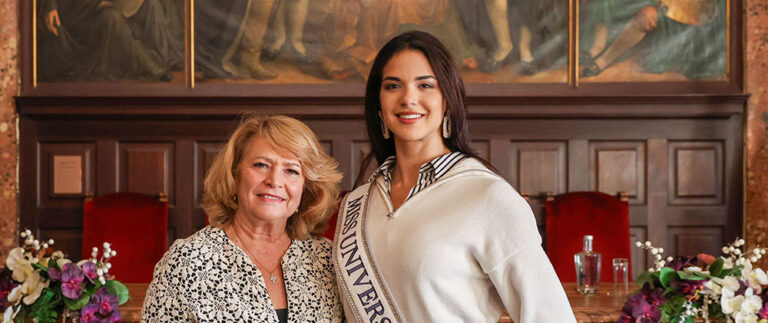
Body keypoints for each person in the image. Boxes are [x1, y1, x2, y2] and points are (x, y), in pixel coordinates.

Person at [333, 31, 576, 322]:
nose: (408, 98)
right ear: (379, 105)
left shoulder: (488, 197)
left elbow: (550, 315)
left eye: (425, 85)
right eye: (393, 85)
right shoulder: (357, 203)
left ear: (447, 99)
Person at [142, 115, 344, 322]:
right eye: (261, 165)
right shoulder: (187, 262)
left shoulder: (328, 260)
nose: (274, 181)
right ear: (234, 175)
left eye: (291, 170)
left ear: (306, 187)